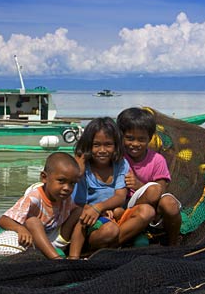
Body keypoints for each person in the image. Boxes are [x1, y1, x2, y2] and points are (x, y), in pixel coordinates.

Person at [68, 117, 155, 259]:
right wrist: (80, 167)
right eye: (96, 145)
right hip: (90, 220)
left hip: (112, 214)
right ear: (88, 145)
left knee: (148, 211)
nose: (102, 150)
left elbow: (120, 197)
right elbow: (76, 203)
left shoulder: (120, 163)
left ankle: (109, 246)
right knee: (110, 230)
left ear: (116, 145)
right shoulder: (82, 168)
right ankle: (93, 247)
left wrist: (99, 207)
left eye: (108, 145)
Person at [0, 152, 82, 259]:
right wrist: (20, 229)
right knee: (33, 221)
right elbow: (3, 220)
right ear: (44, 177)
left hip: (55, 239)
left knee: (81, 212)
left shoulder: (66, 199)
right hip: (34, 243)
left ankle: (74, 257)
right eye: (61, 181)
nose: (67, 188)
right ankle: (57, 259)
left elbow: (77, 211)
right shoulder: (33, 198)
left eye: (72, 183)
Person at [116, 107, 182, 246]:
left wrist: (138, 185)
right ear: (120, 136)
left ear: (150, 139)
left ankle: (173, 244)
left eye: (141, 139)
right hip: (127, 206)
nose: (135, 144)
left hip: (152, 203)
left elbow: (160, 190)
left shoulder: (157, 160)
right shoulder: (118, 156)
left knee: (169, 203)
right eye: (129, 138)